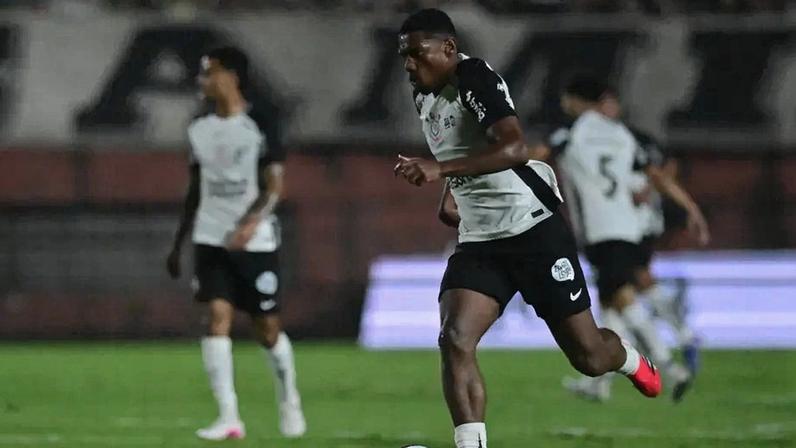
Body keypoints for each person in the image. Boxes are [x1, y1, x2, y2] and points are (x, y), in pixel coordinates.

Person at [394, 9, 661, 448]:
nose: (408, 65)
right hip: (480, 239)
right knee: (455, 338)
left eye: (417, 55)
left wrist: (439, 170)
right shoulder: (425, 93)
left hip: (532, 229)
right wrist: (450, 193)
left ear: (448, 49)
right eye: (404, 56)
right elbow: (461, 148)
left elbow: (514, 147)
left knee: (589, 356)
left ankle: (630, 359)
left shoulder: (474, 77)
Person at [166, 46, 306, 441]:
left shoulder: (261, 122)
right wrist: (178, 244)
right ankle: (229, 417)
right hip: (210, 239)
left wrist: (250, 222)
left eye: (208, 73)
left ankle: (288, 396)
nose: (202, 81)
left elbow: (275, 186)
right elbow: (195, 188)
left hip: (255, 242)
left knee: (266, 330)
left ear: (231, 76)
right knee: (215, 320)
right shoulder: (198, 126)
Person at [544, 75, 707, 403]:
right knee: (610, 307)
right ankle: (599, 384)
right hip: (629, 229)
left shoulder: (570, 133)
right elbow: (657, 174)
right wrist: (690, 207)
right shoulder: (622, 134)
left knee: (622, 299)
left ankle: (668, 366)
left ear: (573, 100)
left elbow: (534, 153)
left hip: (602, 231)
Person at [602, 91, 703, 374]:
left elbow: (666, 165)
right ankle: (603, 374)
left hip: (637, 223)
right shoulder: (611, 140)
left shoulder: (631, 139)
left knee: (630, 281)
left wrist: (648, 189)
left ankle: (677, 342)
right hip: (622, 222)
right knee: (624, 286)